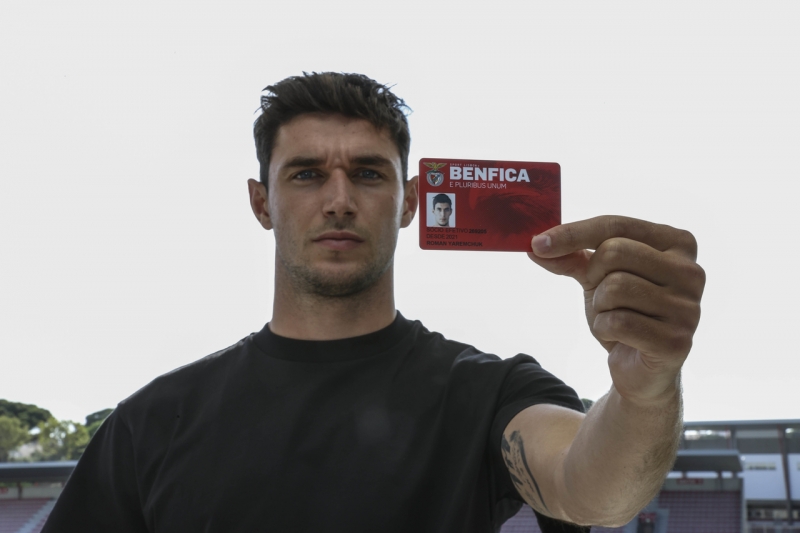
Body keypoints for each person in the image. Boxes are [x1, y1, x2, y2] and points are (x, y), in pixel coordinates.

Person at [42, 73, 705, 533]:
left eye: (367, 172)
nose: (339, 200)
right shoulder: (151, 423)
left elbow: (594, 488)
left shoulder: (484, 393)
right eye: (306, 173)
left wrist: (646, 390)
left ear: (410, 200)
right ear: (261, 202)